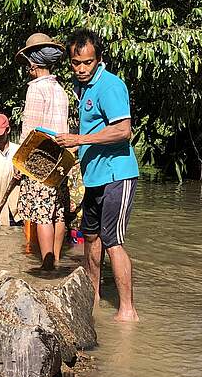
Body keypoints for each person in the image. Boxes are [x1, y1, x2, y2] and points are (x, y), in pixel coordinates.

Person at [55, 29, 141, 322]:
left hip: (118, 174)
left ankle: (127, 311)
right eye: (76, 63)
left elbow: (122, 130)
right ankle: (92, 297)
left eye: (87, 63)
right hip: (94, 176)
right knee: (90, 237)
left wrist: (78, 141)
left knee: (113, 240)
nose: (81, 69)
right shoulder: (84, 88)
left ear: (98, 59)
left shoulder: (110, 86)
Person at [16, 32, 71, 270]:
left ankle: (46, 265)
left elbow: (30, 132)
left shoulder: (35, 90)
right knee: (57, 212)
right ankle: (57, 259)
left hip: (40, 159)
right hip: (61, 158)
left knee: (41, 214)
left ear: (32, 63)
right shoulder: (61, 90)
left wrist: (18, 165)